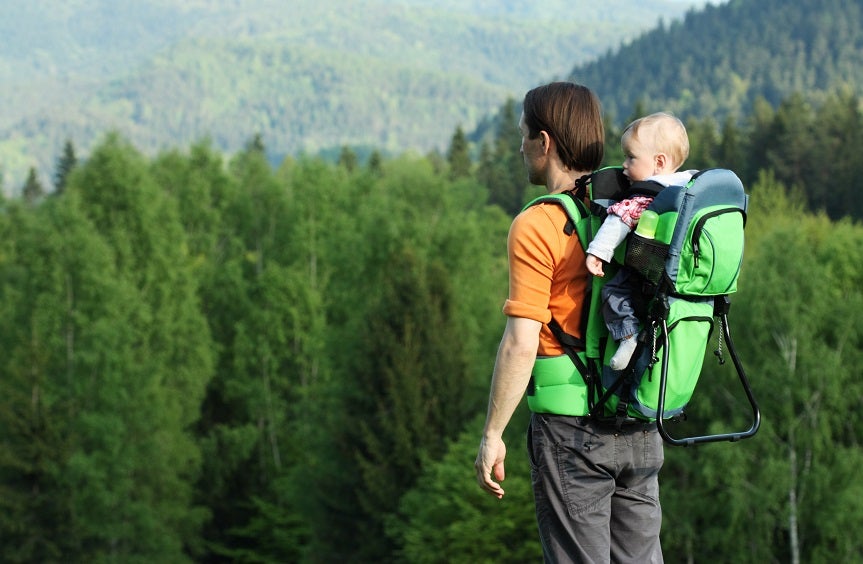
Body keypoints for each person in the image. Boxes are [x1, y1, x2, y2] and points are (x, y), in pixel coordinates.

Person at [474, 82, 665, 563]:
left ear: (545, 142)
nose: (519, 146)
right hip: (640, 423)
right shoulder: (637, 206)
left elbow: (522, 343)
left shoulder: (538, 224)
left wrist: (493, 433)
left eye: (523, 135)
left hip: (572, 435)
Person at [585, 112, 693, 370]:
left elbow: (618, 222)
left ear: (659, 162)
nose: (624, 165)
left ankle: (628, 336)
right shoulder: (689, 185)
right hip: (680, 274)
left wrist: (597, 253)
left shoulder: (644, 195)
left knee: (613, 292)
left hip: (646, 268)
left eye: (631, 157)